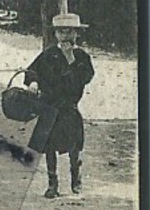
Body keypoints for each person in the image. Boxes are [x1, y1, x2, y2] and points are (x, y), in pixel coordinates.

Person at [24, 12, 96, 198]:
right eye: (61, 32)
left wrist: (70, 58)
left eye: (70, 32)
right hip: (50, 106)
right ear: (55, 34)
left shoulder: (81, 57)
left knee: (74, 146)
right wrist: (33, 82)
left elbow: (85, 77)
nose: (65, 36)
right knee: (49, 147)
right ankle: (52, 183)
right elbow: (32, 70)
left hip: (69, 108)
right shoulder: (48, 55)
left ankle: (76, 176)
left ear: (77, 34)